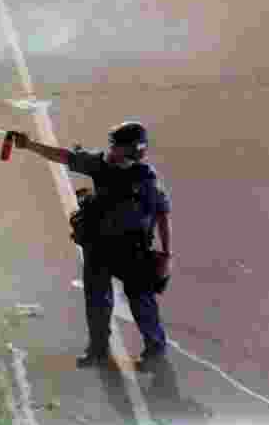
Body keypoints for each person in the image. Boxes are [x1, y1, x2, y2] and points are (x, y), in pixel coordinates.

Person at [9, 121, 173, 369]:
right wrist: (29, 145)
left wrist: (167, 254)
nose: (111, 149)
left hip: (133, 249)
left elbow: (162, 213)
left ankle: (155, 351)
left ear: (130, 150)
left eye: (116, 146)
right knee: (96, 300)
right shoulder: (101, 164)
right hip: (100, 246)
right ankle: (98, 350)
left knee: (141, 302)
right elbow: (65, 156)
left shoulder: (145, 179)